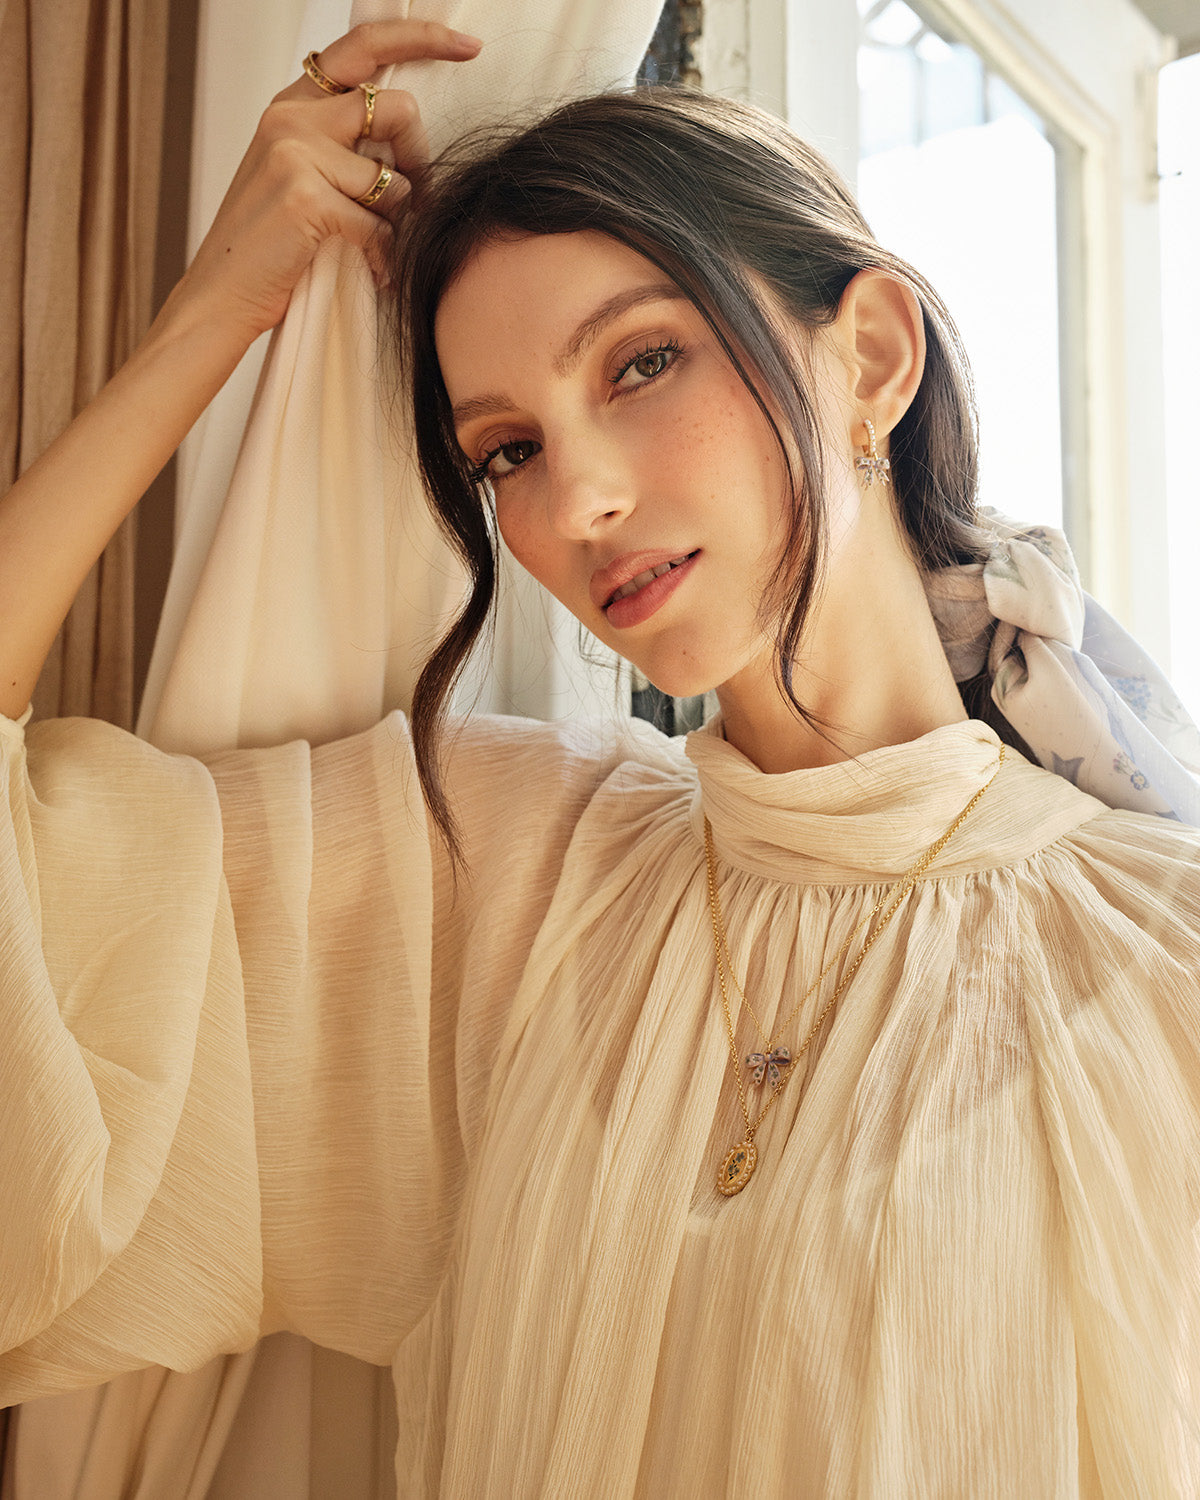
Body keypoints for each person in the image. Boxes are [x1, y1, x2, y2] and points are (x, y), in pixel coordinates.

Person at [2, 18, 1200, 1498]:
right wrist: (210, 319)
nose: (577, 497)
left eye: (640, 363)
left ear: (873, 356)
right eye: (505, 449)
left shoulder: (1167, 957)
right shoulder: (499, 869)